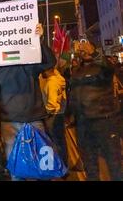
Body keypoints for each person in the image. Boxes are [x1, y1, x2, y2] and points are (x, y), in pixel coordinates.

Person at [0, 24, 56, 180]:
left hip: (32, 120)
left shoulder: (28, 62)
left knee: (39, 164)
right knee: (16, 166)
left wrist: (40, 40)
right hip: (9, 123)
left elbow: (49, 62)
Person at [69, 41, 121, 181]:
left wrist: (94, 53)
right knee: (90, 166)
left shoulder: (102, 68)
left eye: (87, 47)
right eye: (82, 49)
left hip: (104, 122)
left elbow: (109, 67)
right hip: (83, 125)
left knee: (113, 163)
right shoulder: (76, 71)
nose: (84, 50)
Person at [39, 67, 68, 165]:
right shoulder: (58, 80)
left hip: (53, 116)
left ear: (47, 70)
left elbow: (52, 103)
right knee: (60, 141)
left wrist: (46, 113)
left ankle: (58, 165)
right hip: (59, 114)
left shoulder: (51, 83)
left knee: (53, 141)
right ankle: (63, 164)